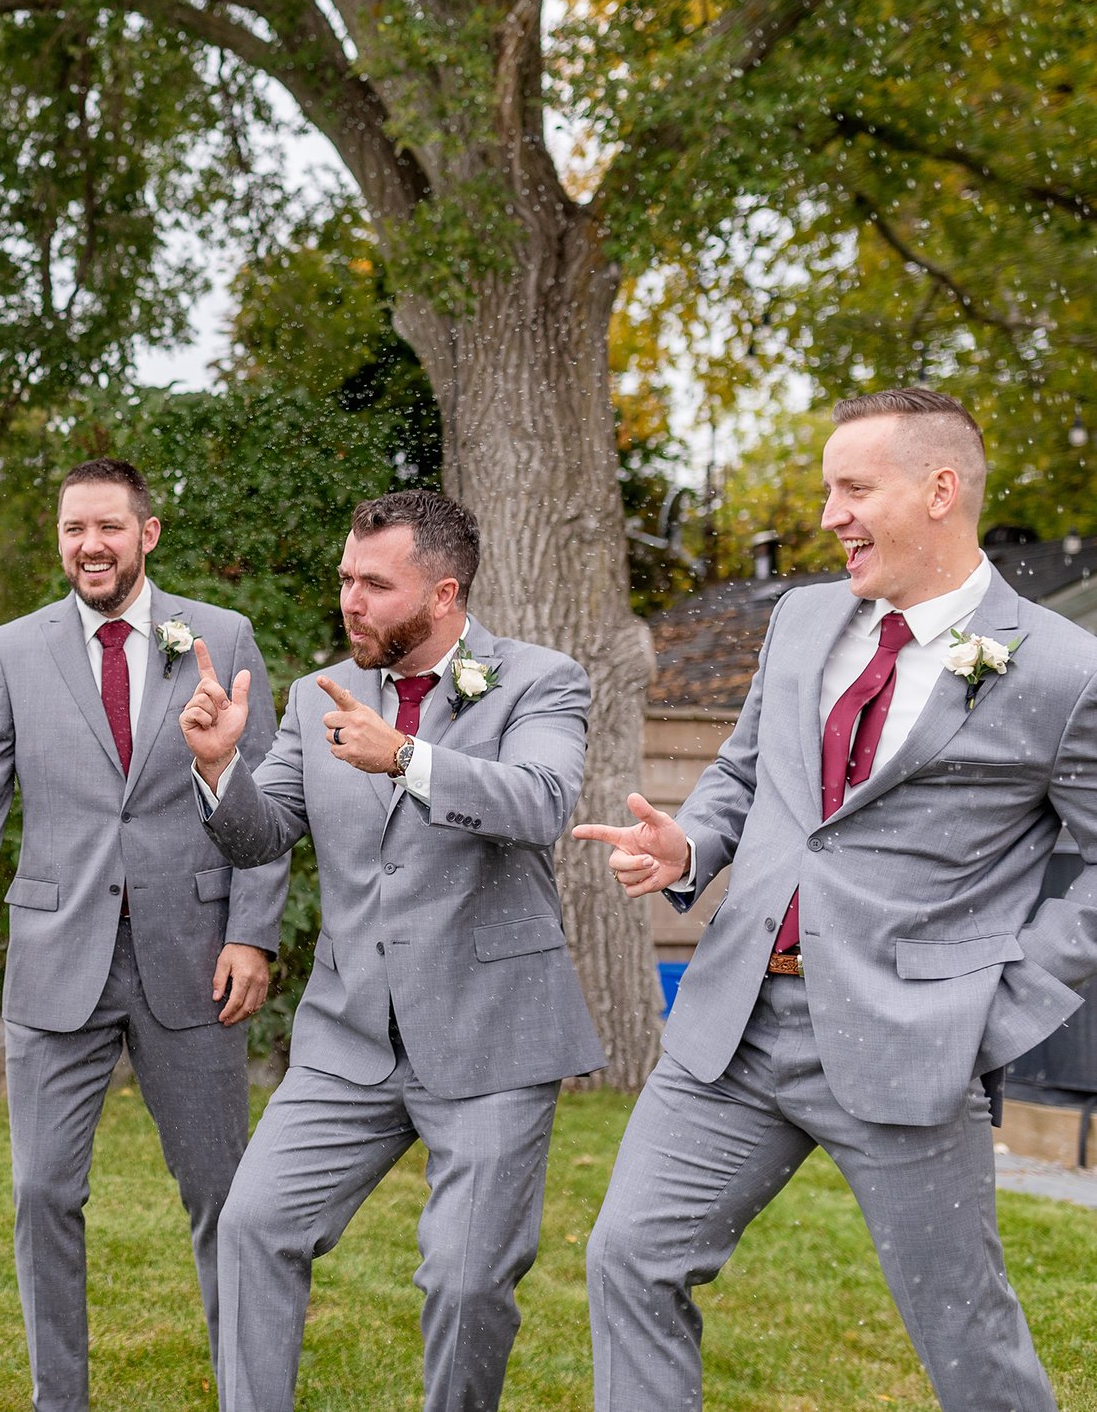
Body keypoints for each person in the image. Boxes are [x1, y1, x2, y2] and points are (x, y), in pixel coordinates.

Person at [579, 388, 1097, 1411]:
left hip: (914, 1043)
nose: (828, 514)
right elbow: (742, 774)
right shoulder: (802, 616)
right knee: (627, 1257)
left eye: (853, 487)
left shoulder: (1063, 668)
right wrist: (689, 843)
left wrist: (1001, 1007)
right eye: (827, 489)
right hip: (734, 1025)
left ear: (939, 490)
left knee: (967, 1337)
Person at [177, 489, 600, 1412]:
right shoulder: (314, 695)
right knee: (252, 1225)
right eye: (344, 579)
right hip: (350, 1033)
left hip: (494, 1035)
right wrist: (218, 768)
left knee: (463, 1281)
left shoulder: (540, 678)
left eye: (374, 582)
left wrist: (406, 756)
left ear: (443, 592)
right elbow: (262, 834)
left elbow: (541, 802)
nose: (350, 600)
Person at [0, 457, 275, 1412]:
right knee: (42, 1194)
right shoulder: (13, 649)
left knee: (224, 1199)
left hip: (194, 959)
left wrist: (254, 933)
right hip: (55, 955)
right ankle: (59, 1400)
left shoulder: (221, 634)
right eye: (76, 527)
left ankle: (247, 1393)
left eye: (110, 527)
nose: (91, 544)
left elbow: (264, 801)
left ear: (147, 534)